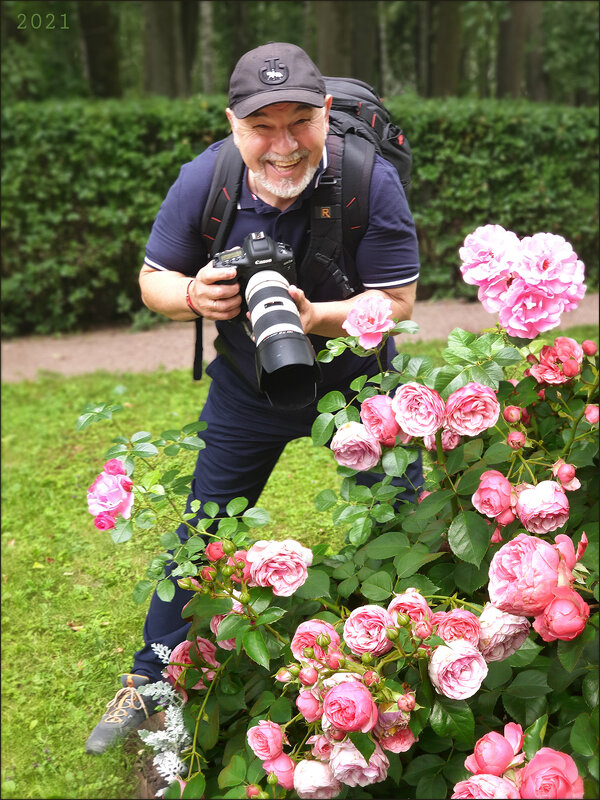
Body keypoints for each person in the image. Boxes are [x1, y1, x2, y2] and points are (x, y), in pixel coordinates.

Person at [86, 42, 422, 755]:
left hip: (358, 380)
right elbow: (152, 280)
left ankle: (408, 667)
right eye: (259, 126)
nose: (281, 145)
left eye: (298, 121)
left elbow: (398, 301)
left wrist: (316, 318)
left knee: (403, 517)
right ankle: (152, 681)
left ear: (326, 115)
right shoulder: (204, 180)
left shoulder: (368, 177)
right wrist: (191, 295)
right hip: (245, 388)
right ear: (232, 124)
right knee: (203, 529)